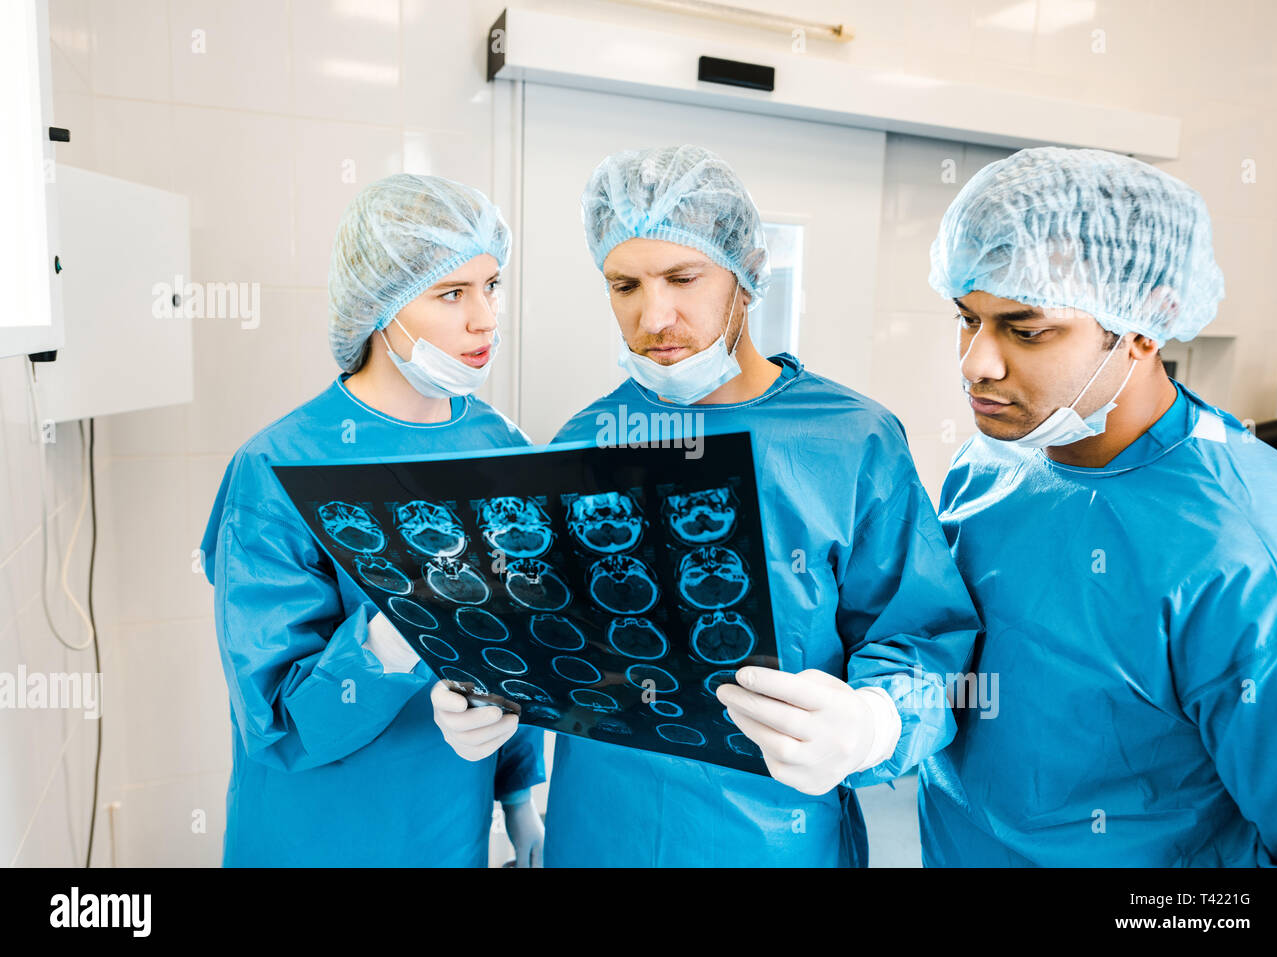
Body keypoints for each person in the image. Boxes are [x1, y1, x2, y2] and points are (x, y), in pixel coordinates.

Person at [432, 144, 981, 866]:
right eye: (624, 284)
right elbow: (544, 631)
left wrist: (876, 721)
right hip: (598, 833)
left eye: (683, 277)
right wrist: (485, 690)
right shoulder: (586, 439)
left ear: (748, 271)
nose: (654, 314)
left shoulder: (850, 439)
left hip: (771, 837)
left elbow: (921, 635)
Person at [919, 146, 1277, 866]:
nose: (975, 363)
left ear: (1146, 323)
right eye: (967, 318)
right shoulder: (993, 458)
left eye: (1025, 329)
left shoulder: (1245, 554)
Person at [201, 173, 546, 867]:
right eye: (452, 293)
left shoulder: (502, 450)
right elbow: (279, 723)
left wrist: (518, 802)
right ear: (380, 306)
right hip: (315, 835)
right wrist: (404, 622)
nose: (486, 319)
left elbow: (521, 655)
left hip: (450, 830)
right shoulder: (278, 468)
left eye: (492, 285)